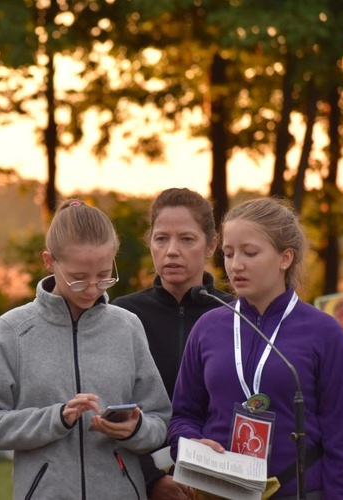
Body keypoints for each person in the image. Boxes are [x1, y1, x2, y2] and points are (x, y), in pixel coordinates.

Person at [0, 199, 172, 499]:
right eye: (78, 278)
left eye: (103, 276)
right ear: (49, 261)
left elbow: (159, 419)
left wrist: (137, 430)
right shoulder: (13, 330)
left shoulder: (128, 327)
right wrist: (56, 418)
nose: (91, 288)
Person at [168, 197, 343, 499]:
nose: (236, 265)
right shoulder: (208, 327)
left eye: (250, 253)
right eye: (229, 254)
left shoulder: (324, 333)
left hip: (296, 491)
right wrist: (190, 442)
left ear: (285, 258)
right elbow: (183, 415)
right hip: (215, 492)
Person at [112, 188, 233, 499]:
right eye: (161, 238)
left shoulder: (236, 315)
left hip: (222, 476)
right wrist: (152, 479)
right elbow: (108, 407)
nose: (172, 251)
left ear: (212, 245)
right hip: (138, 480)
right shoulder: (122, 315)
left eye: (187, 239)